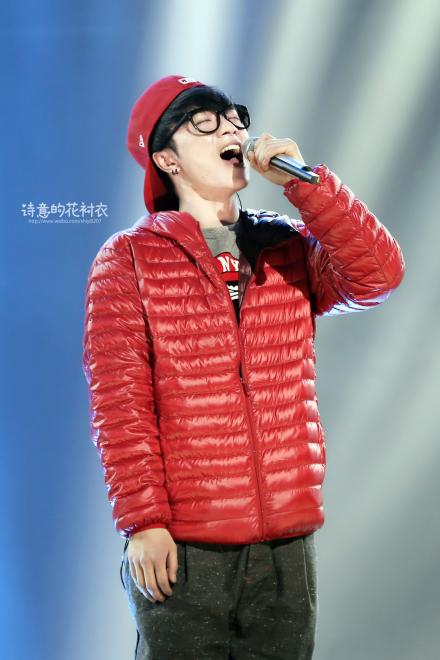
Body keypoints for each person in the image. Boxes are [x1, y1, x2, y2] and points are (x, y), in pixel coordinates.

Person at [82, 74, 405, 659]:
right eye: (204, 123)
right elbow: (119, 403)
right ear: (166, 159)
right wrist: (143, 522)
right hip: (186, 546)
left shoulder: (288, 245)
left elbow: (378, 275)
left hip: (286, 542)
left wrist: (306, 186)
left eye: (234, 118)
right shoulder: (128, 259)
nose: (230, 131)